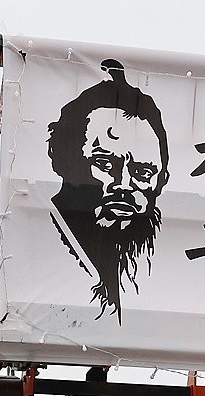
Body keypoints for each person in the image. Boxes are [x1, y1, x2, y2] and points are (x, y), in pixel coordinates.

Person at [47, 59, 169, 321]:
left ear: (162, 180)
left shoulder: (162, 265)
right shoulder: (38, 243)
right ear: (64, 160)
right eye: (104, 163)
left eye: (143, 172)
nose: (123, 184)